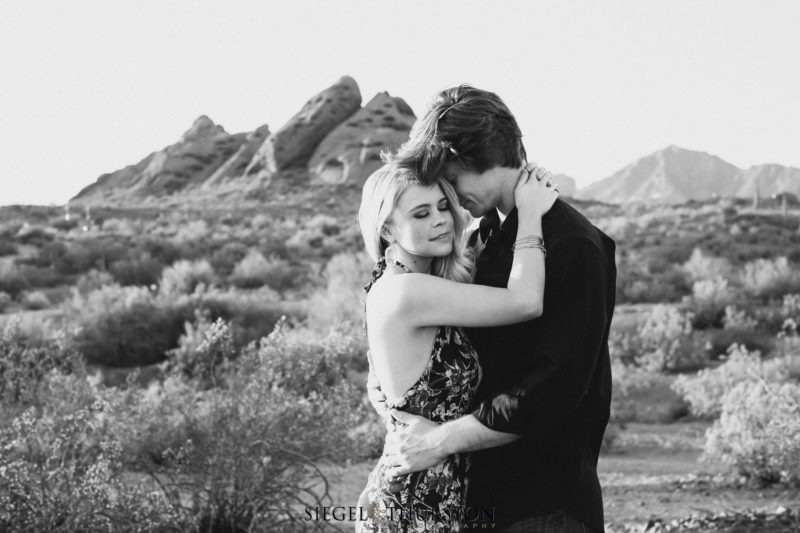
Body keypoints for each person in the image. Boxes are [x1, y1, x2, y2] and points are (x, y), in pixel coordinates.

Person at [374, 85, 617, 533]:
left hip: (543, 506)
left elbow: (553, 391)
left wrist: (440, 440)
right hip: (476, 501)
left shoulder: (575, 245)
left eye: (451, 181)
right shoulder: (481, 239)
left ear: (474, 161)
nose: (449, 199)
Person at [356, 161, 558, 532]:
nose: (441, 220)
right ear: (387, 227)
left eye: (444, 206)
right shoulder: (408, 291)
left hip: (438, 493)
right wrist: (529, 214)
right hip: (416, 502)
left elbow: (380, 386)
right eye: (421, 213)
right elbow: (526, 301)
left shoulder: (393, 282)